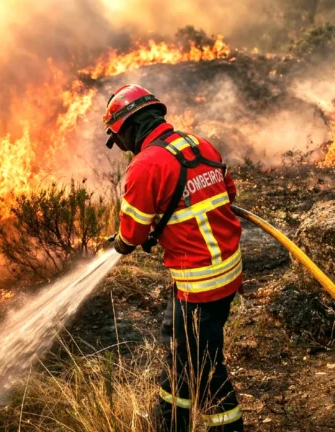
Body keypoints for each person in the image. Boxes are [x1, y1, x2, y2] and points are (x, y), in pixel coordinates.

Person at [104, 84, 244, 432]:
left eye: (119, 139)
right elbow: (229, 193)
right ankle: (170, 422)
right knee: (182, 355)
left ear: (129, 128)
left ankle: (226, 427)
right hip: (226, 274)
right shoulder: (198, 143)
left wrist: (119, 244)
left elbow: (133, 232)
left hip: (200, 285)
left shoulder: (145, 166)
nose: (122, 148)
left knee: (206, 369)